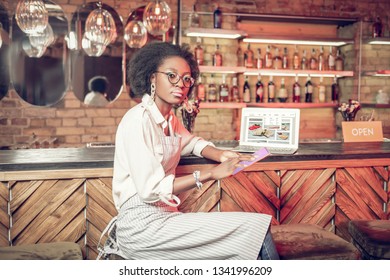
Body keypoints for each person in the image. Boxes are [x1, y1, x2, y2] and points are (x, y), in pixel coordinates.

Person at [98, 42, 279, 260]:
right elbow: (150, 190)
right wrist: (211, 173)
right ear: (152, 78)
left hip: (166, 215)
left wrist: (221, 154)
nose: (181, 84)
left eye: (186, 79)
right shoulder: (138, 120)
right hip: (141, 226)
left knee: (253, 234)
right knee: (255, 227)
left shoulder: (169, 119)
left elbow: (192, 143)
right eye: (172, 76)